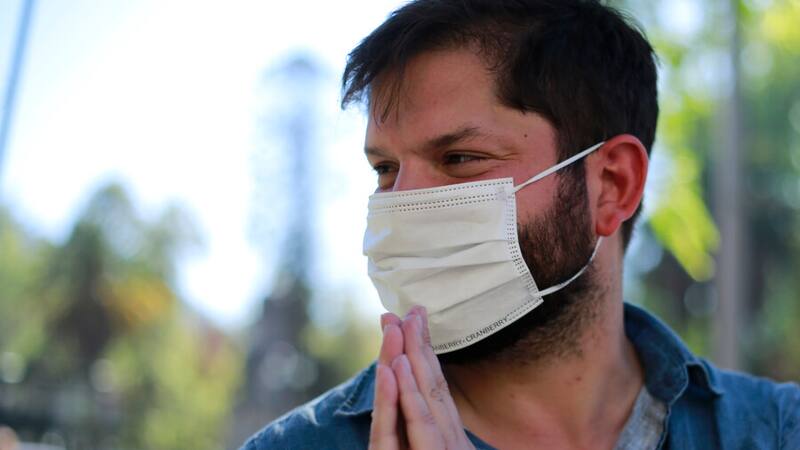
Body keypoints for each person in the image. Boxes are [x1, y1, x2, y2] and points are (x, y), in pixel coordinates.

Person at [241, 0, 800, 448]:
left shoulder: (777, 432)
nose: (402, 204)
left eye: (461, 158)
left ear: (613, 185)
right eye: (385, 169)